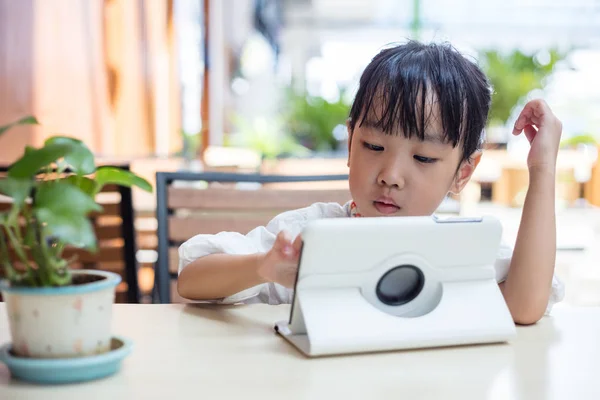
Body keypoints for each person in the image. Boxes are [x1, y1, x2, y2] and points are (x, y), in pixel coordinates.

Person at [177, 41, 564, 325]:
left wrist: (543, 168)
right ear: (350, 145)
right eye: (374, 145)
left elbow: (524, 305)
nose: (390, 176)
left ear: (462, 173)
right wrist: (263, 266)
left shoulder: (458, 253)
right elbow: (193, 278)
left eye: (424, 158)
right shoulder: (310, 237)